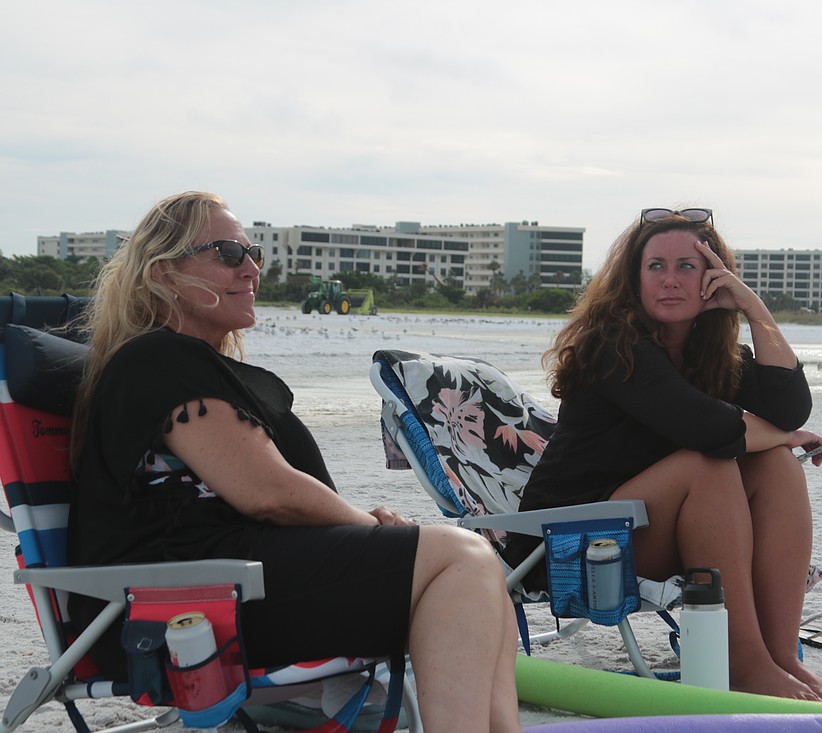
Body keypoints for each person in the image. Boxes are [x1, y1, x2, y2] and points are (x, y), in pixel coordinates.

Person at [67, 191, 522, 733]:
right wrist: (369, 527)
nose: (252, 268)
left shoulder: (194, 366)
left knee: (477, 568)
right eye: (228, 254)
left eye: (253, 251)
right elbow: (269, 493)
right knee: (461, 557)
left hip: (242, 583)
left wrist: (369, 531)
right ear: (165, 273)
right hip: (189, 606)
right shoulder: (156, 360)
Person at [512, 207, 822, 702]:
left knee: (774, 467)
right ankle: (745, 665)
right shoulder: (613, 345)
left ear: (713, 277)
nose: (670, 280)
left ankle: (779, 657)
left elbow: (791, 405)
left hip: (645, 528)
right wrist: (781, 435)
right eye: (656, 267)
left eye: (687, 266)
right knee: (706, 466)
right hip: (571, 545)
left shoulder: (712, 354)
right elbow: (707, 428)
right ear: (633, 279)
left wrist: (753, 308)